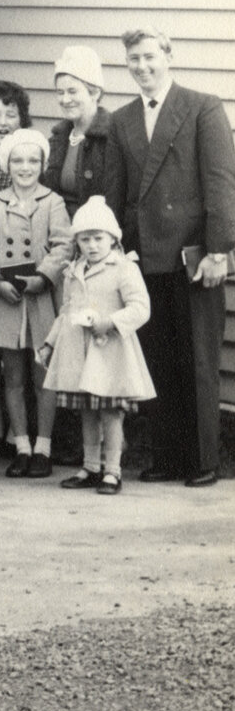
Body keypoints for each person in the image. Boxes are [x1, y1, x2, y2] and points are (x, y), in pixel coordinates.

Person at [111, 27, 234, 488]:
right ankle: (165, 455)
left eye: (149, 58)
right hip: (143, 258)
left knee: (198, 360)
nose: (142, 67)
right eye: (133, 61)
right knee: (155, 358)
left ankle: (203, 461)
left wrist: (219, 251)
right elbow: (117, 193)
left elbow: (221, 184)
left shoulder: (202, 106)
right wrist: (119, 253)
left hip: (194, 257)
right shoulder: (123, 119)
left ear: (168, 56)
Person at [0, 129, 73, 479]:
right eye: (17, 160)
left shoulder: (52, 201)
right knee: (12, 375)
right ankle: (22, 447)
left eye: (32, 161)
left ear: (42, 165)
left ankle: (43, 447)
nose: (25, 168)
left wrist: (43, 277)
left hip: (40, 296)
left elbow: (63, 246)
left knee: (43, 375)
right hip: (7, 297)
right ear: (6, 164)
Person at [40, 199, 156, 496]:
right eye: (85, 239)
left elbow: (141, 307)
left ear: (113, 238)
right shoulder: (73, 270)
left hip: (111, 352)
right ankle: (91, 466)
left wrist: (111, 322)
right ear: (77, 241)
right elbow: (66, 311)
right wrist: (50, 343)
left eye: (99, 238)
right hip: (79, 352)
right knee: (87, 413)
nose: (92, 245)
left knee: (110, 413)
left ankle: (112, 471)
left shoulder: (124, 267)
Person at [44, 46, 130, 224]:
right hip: (58, 234)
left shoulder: (114, 137)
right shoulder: (57, 139)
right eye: (60, 92)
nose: (65, 100)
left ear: (95, 92)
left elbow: (120, 201)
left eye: (72, 91)